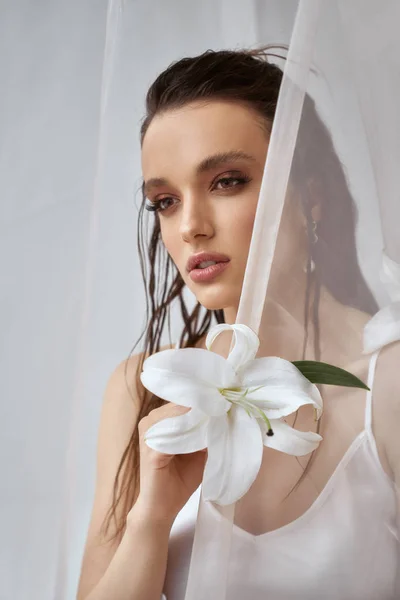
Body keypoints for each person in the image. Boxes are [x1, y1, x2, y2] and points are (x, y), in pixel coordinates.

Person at [76, 48, 399, 600]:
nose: (191, 228)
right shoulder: (142, 392)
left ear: (313, 196)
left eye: (227, 181)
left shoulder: (388, 383)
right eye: (166, 201)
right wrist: (152, 514)